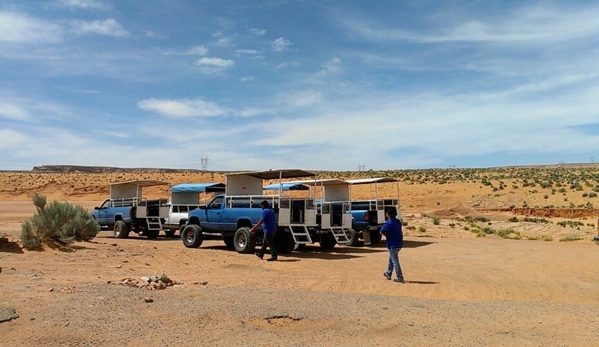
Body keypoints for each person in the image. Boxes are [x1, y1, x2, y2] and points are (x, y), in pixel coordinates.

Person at [380, 206, 405, 283]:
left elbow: (381, 231)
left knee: (394, 260)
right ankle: (388, 273)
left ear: (389, 214)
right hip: (399, 243)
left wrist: (386, 235)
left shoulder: (388, 223)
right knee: (391, 259)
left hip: (392, 244)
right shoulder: (398, 222)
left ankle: (400, 277)